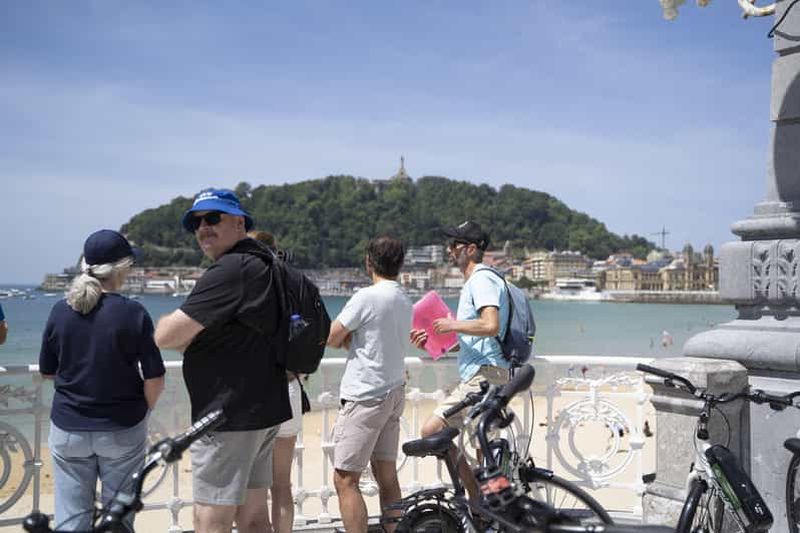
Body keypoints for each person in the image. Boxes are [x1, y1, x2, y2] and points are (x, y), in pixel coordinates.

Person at [154, 188, 291, 533]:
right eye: (196, 223)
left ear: (239, 222)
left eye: (213, 218)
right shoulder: (266, 265)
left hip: (226, 416)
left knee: (210, 517)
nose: (204, 228)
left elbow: (166, 336)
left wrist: (168, 323)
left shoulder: (230, 270)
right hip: (264, 408)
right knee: (255, 517)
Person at [39, 229, 165, 532]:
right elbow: (155, 376)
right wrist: (142, 411)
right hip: (122, 428)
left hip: (69, 428)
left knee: (71, 519)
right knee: (117, 519)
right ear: (122, 269)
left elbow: (47, 370)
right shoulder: (133, 312)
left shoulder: (61, 310)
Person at [410, 220, 511, 502]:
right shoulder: (478, 281)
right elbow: (479, 336)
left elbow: (490, 324)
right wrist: (432, 341)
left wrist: (452, 325)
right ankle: (490, 507)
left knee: (432, 430)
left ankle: (478, 498)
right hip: (486, 372)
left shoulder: (481, 279)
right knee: (484, 448)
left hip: (486, 374)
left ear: (469, 249)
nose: (449, 250)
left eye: (454, 245)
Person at [326, 236, 412, 533]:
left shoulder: (366, 296)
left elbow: (332, 336)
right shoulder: (403, 297)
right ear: (400, 265)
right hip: (394, 391)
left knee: (345, 479)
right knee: (386, 476)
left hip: (366, 395)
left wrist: (350, 339)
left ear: (369, 262)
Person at [248, 229, 301, 533]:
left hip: (258, 396)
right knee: (282, 485)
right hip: (290, 388)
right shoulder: (291, 289)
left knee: (251, 486)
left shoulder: (248, 289)